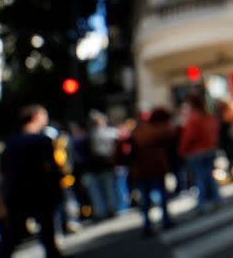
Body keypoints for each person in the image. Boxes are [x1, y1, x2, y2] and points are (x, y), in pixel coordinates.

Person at [0, 105, 63, 258]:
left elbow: (4, 168)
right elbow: (52, 169)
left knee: (13, 234)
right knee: (47, 231)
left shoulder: (11, 144)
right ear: (35, 117)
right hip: (41, 192)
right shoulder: (42, 141)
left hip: (17, 194)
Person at [130, 107, 175, 235]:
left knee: (146, 198)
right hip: (155, 168)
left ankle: (147, 224)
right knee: (161, 195)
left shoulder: (136, 132)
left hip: (141, 170)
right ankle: (164, 220)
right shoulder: (154, 130)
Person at [178, 89, 221, 214]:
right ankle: (216, 198)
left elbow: (188, 136)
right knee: (208, 175)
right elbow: (213, 132)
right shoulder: (208, 115)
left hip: (197, 151)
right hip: (208, 149)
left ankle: (202, 203)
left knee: (200, 178)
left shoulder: (194, 118)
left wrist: (182, 149)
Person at [84, 110, 120, 220]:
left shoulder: (90, 135)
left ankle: (104, 211)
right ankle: (111, 209)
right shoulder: (109, 133)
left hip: (99, 166)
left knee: (100, 191)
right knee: (108, 189)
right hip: (105, 165)